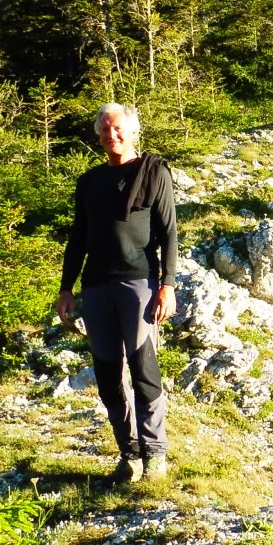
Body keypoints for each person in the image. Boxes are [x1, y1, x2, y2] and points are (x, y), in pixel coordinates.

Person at [56, 103, 178, 484]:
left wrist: (168, 285)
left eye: (118, 128)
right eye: (105, 130)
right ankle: (130, 455)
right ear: (98, 136)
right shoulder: (89, 181)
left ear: (133, 131)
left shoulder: (153, 171)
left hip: (139, 283)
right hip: (95, 288)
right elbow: (78, 238)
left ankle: (155, 453)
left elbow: (169, 232)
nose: (112, 135)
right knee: (108, 374)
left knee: (143, 368)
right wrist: (66, 287)